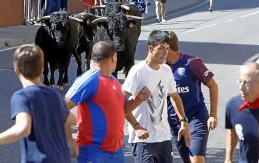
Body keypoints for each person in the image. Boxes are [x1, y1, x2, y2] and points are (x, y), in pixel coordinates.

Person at [0, 44, 77, 162]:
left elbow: (23, 129)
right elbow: (71, 119)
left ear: (16, 71)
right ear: (42, 69)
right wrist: (70, 141)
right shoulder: (55, 95)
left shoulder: (22, 97)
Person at [65, 41, 151, 163]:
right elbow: (61, 107)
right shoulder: (89, 79)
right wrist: (69, 140)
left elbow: (123, 110)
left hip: (117, 152)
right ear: (113, 57)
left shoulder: (114, 81)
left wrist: (139, 99)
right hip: (93, 153)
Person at [122, 31, 191, 163]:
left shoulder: (166, 70)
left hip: (163, 137)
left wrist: (183, 121)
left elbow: (175, 97)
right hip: (143, 139)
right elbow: (121, 104)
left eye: (167, 48)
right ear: (150, 48)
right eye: (161, 48)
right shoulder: (138, 71)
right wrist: (136, 126)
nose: (165, 53)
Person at [165, 31, 219, 163]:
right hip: (174, 122)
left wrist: (213, 114)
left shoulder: (191, 62)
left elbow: (213, 85)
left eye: (159, 46)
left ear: (167, 47)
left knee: (196, 160)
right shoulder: (160, 67)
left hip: (196, 118)